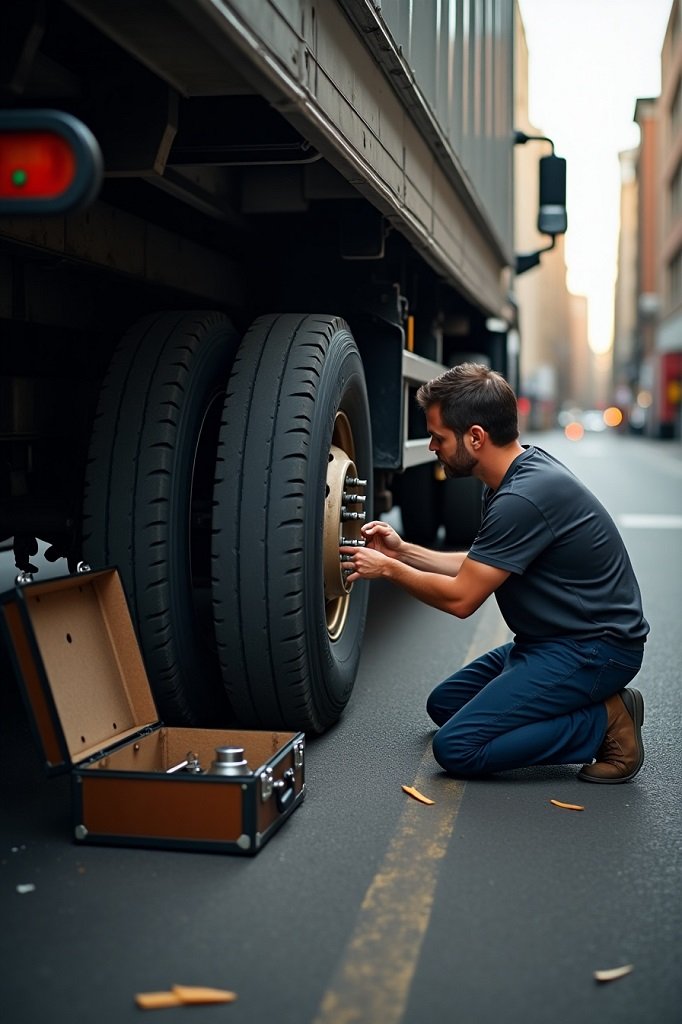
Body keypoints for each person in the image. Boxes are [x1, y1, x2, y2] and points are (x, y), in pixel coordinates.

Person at [341, 363, 649, 783]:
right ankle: (573, 703)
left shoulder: (523, 497)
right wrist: (403, 550)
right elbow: (481, 563)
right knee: (445, 704)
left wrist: (389, 570)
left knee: (457, 747)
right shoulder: (510, 478)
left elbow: (462, 598)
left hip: (595, 649)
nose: (432, 446)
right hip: (550, 641)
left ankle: (605, 722)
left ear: (475, 437)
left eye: (438, 437)